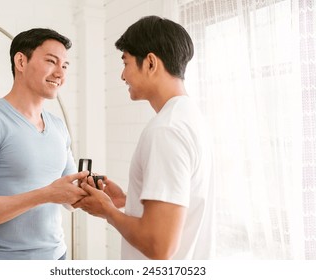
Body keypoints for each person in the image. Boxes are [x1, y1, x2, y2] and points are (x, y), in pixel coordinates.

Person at [75, 16, 215, 260]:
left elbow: (159, 245)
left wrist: (108, 211)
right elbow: (182, 205)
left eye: (126, 63)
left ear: (150, 63)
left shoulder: (166, 130)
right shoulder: (191, 117)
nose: (122, 76)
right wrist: (127, 202)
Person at [0, 28, 89, 260]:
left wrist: (90, 191)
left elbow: (69, 199)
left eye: (64, 66)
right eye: (51, 62)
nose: (60, 74)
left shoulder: (58, 126)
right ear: (21, 61)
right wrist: (45, 194)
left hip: (59, 257)